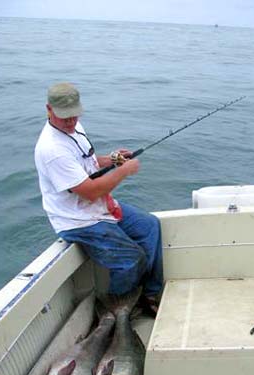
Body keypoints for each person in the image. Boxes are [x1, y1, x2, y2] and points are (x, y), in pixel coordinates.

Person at [35, 82, 163, 315]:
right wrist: (124, 171)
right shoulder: (52, 149)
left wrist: (114, 160)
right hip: (77, 219)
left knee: (150, 226)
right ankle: (113, 313)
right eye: (65, 117)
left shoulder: (74, 128)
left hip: (98, 207)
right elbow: (90, 190)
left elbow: (88, 163)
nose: (71, 121)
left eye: (74, 115)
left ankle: (150, 294)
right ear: (49, 109)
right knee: (132, 260)